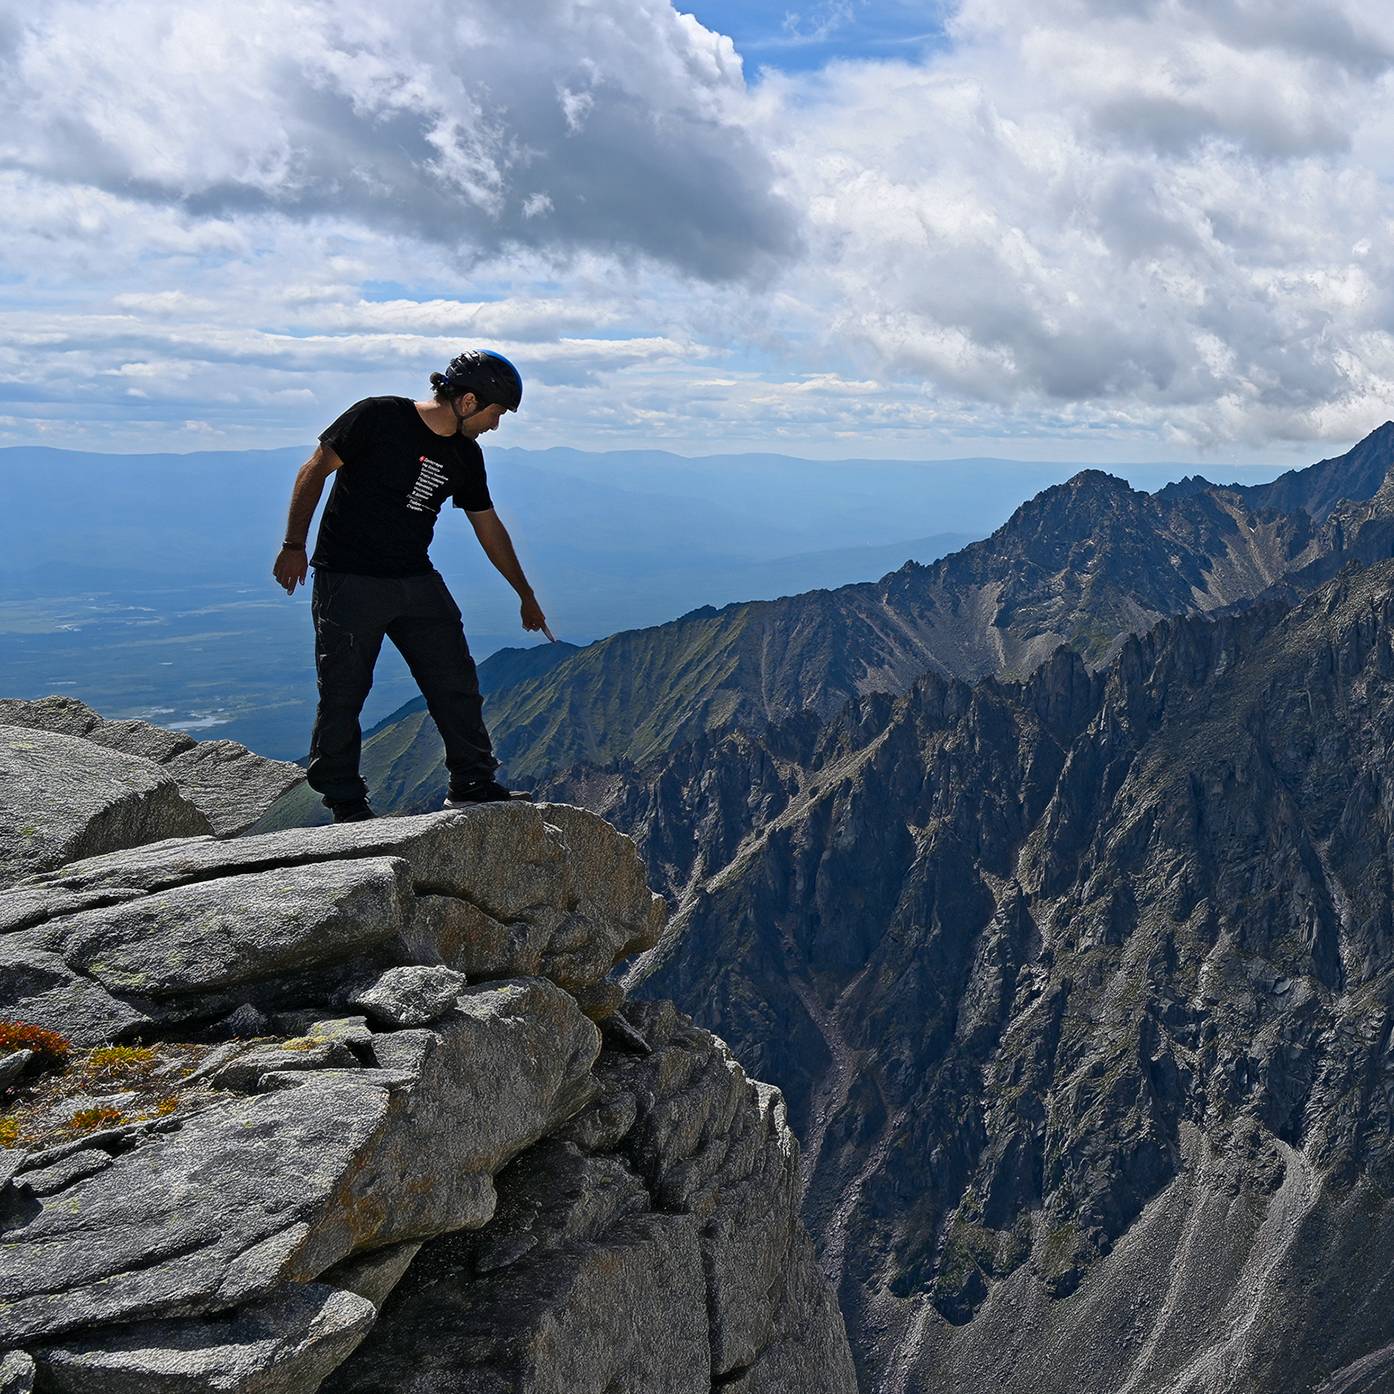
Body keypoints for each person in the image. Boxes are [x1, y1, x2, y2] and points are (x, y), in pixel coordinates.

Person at [272, 350, 551, 823]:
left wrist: (525, 594)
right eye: (496, 413)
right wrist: (293, 545)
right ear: (467, 401)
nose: (495, 425)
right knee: (344, 690)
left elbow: (488, 526)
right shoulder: (378, 416)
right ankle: (345, 800)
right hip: (349, 577)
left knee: (455, 680)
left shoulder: (466, 455)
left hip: (415, 578)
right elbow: (314, 469)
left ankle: (472, 783)